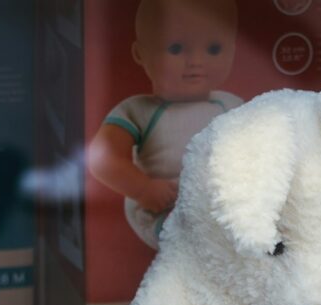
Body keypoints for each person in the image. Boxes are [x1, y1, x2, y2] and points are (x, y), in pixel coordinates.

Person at [87, 0, 241, 248]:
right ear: (140, 53)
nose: (196, 61)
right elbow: (101, 158)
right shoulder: (138, 110)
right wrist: (143, 188)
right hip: (162, 208)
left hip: (222, 201)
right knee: (193, 236)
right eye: (177, 48)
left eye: (213, 49)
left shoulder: (230, 104)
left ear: (233, 50)